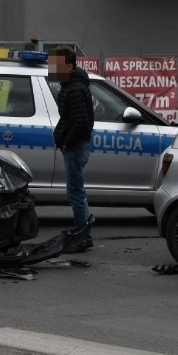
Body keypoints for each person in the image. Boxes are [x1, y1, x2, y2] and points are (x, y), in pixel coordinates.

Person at [51, 46, 96, 249]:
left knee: (76, 194)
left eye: (57, 65)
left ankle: (83, 238)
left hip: (75, 146)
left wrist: (67, 140)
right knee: (78, 193)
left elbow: (82, 122)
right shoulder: (70, 86)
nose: (53, 69)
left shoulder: (75, 89)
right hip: (74, 145)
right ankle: (84, 236)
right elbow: (70, 118)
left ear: (69, 65)